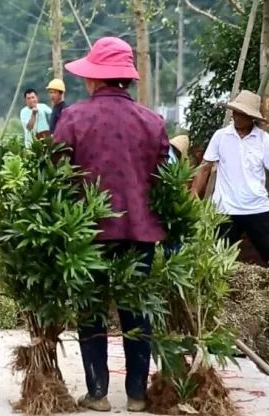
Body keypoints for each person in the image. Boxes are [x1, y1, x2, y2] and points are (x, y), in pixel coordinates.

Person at [52, 36, 169, 412]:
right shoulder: (153, 122)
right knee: (138, 311)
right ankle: (136, 394)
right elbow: (162, 179)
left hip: (88, 232)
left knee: (91, 310)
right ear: (126, 80)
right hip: (140, 232)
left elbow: (57, 173)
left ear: (95, 80)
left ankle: (98, 392)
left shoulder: (73, 118)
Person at [191, 90, 269, 264]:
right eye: (235, 112)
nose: (236, 116)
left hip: (256, 208)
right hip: (225, 210)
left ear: (251, 117)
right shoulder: (221, 137)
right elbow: (205, 167)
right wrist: (194, 194)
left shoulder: (263, 140)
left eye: (241, 114)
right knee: (214, 261)